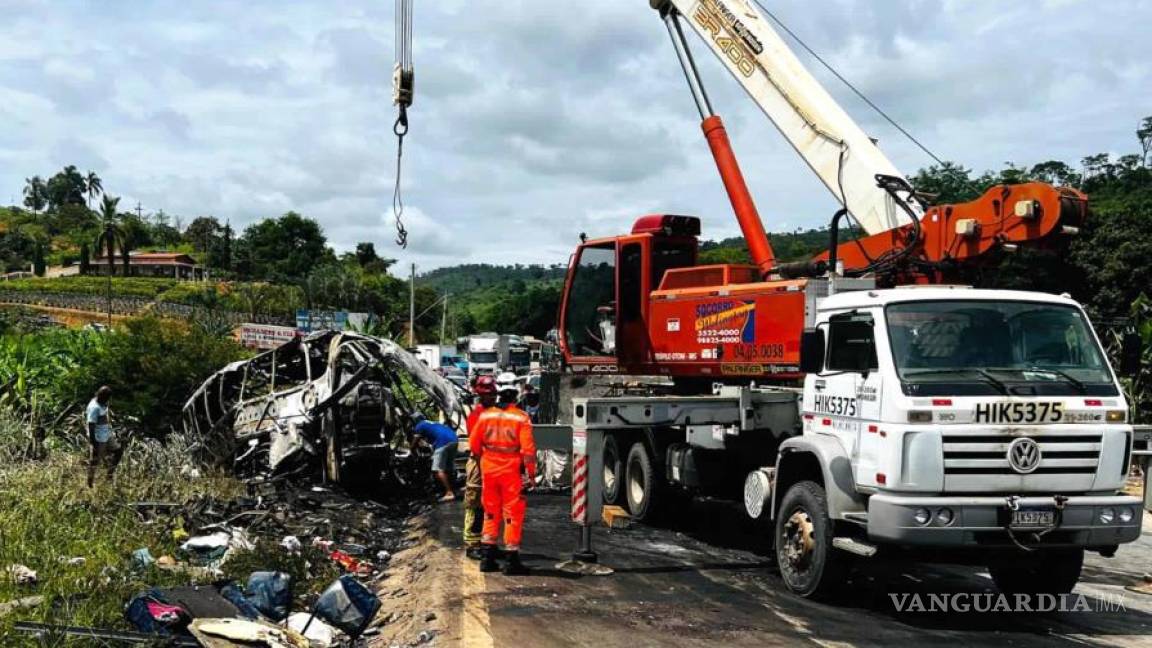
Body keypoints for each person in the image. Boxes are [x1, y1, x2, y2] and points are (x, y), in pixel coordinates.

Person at [469, 372, 536, 575]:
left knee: (490, 512)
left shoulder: (485, 415)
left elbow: (473, 445)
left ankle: (487, 559)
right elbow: (528, 451)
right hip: (511, 473)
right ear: (516, 395)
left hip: (489, 470)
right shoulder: (521, 418)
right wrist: (531, 476)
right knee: (512, 515)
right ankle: (511, 561)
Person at [463, 375, 498, 560]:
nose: (493, 398)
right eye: (489, 395)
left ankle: (487, 542)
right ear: (480, 396)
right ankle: (472, 544)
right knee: (474, 503)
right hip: (479, 463)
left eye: (494, 395)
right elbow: (477, 446)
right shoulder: (476, 416)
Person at [412, 413, 460, 501]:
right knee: (448, 468)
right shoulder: (433, 423)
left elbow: (415, 442)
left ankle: (449, 493)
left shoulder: (419, 425)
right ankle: (454, 489)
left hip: (443, 443)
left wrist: (412, 450)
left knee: (437, 470)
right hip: (454, 440)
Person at [86, 385, 123, 488]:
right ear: (102, 397)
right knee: (95, 460)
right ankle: (90, 484)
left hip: (106, 433)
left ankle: (109, 475)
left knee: (118, 451)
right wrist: (93, 442)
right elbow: (91, 425)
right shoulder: (94, 408)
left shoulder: (102, 402)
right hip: (98, 437)